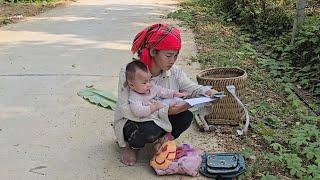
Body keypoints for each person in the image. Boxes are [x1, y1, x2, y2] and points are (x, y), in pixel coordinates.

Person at [114, 23, 217, 166]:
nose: (172, 60)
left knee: (186, 116)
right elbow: (127, 110)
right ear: (153, 52)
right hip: (134, 120)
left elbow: (190, 86)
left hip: (159, 116)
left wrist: (207, 91)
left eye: (176, 55)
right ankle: (133, 146)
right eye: (168, 55)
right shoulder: (130, 72)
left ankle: (163, 141)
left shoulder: (175, 72)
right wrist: (164, 110)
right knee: (150, 128)